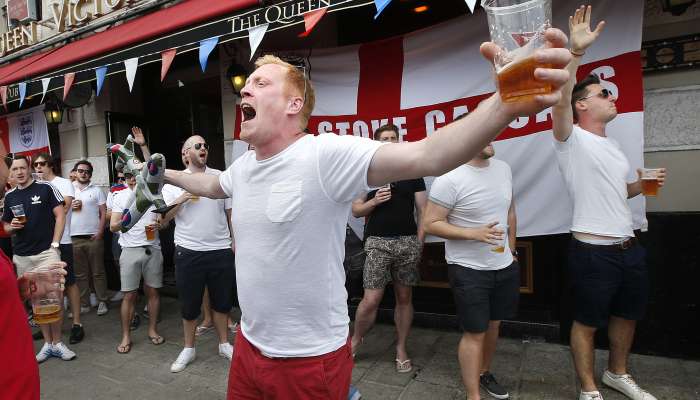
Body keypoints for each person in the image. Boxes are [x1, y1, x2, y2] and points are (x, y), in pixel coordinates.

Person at [162, 36, 570, 399]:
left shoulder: (323, 154)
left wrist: (503, 104)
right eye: (247, 83)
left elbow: (426, 155)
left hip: (309, 362)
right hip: (249, 349)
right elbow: (212, 187)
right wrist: (159, 171)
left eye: (261, 83)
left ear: (294, 104)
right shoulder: (244, 167)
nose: (246, 88)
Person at [552, 6, 664, 400]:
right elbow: (560, 103)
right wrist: (576, 53)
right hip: (593, 252)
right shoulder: (571, 139)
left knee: (627, 315)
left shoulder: (613, 146)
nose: (611, 97)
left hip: (628, 246)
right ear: (583, 105)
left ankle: (618, 374)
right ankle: (588, 388)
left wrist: (639, 184)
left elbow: (620, 193)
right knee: (586, 321)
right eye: (603, 94)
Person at [423, 142, 518, 400]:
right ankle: (472, 395)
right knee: (475, 331)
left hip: (504, 264)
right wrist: (472, 234)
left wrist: (513, 250)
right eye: (484, 134)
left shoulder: (504, 169)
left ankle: (484, 373)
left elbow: (509, 211)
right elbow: (430, 223)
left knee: (494, 325)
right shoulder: (449, 178)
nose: (491, 139)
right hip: (468, 269)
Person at [350, 123, 427, 373]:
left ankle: (401, 348)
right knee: (371, 299)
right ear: (377, 143)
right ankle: (354, 341)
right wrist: (374, 201)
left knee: (405, 298)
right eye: (385, 139)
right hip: (377, 243)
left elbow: (423, 211)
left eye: (394, 138)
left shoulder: (412, 171)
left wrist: (419, 241)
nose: (391, 142)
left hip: (406, 242)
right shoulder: (368, 173)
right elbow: (355, 209)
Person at [161, 135, 236, 373]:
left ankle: (224, 344)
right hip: (188, 251)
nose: (203, 148)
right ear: (185, 153)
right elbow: (162, 221)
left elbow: (230, 213)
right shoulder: (173, 182)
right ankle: (189, 348)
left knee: (222, 302)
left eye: (205, 145)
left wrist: (235, 240)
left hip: (220, 249)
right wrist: (183, 197)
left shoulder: (220, 178)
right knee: (190, 304)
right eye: (197, 146)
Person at [2, 156, 76, 362]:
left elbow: (60, 214)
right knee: (36, 301)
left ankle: (58, 342)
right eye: (15, 169)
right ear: (12, 173)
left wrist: (55, 243)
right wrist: (11, 227)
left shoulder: (45, 188)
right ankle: (47, 344)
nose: (19, 172)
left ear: (29, 169)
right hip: (23, 255)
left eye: (22, 168)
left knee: (53, 297)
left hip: (46, 252)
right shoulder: (10, 196)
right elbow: (6, 226)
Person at [109, 170, 165, 354]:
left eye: (135, 174)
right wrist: (129, 219)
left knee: (153, 292)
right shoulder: (121, 196)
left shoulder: (155, 194)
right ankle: (126, 335)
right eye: (128, 175)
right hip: (130, 250)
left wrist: (160, 224)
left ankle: (152, 329)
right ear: (124, 178)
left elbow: (164, 222)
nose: (132, 178)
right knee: (129, 295)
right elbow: (113, 226)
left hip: (153, 248)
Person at [33, 153, 86, 344]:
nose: (38, 167)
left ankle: (77, 324)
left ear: (51, 165)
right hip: (41, 244)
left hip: (62, 241)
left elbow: (62, 210)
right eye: (35, 164)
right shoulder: (35, 187)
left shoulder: (64, 183)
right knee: (46, 288)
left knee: (69, 282)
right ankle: (48, 326)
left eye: (42, 164)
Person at [70, 160, 109, 316]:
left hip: (94, 236)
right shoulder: (68, 189)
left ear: (90, 174)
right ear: (75, 172)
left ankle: (102, 301)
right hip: (74, 237)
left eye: (86, 171)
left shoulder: (97, 190)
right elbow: (59, 212)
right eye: (80, 170)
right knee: (80, 274)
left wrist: (100, 232)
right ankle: (84, 304)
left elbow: (103, 213)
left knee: (98, 272)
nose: (83, 173)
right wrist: (69, 207)